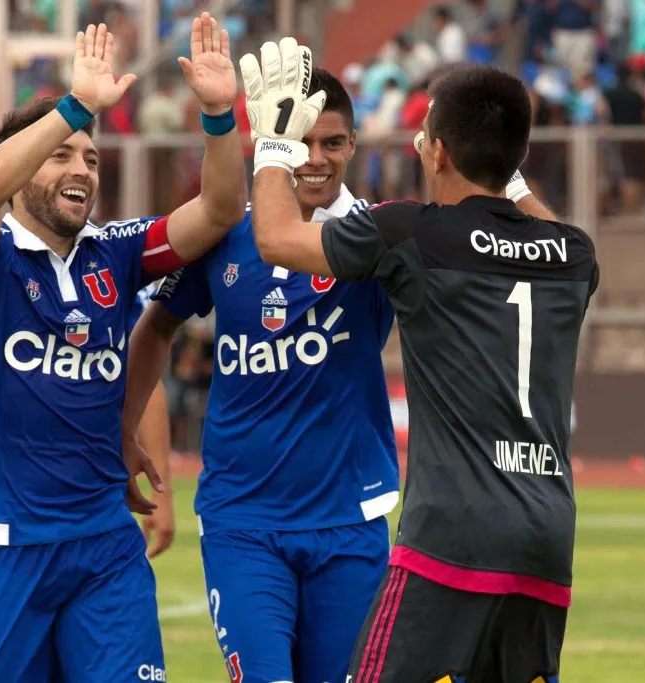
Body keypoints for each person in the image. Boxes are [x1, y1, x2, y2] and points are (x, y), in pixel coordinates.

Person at [243, 43, 598, 682]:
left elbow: (274, 239)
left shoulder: (413, 233)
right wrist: (506, 169)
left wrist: (273, 142)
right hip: (547, 537)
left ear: (436, 152)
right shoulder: (572, 254)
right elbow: (541, 227)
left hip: (450, 534)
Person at [0, 16, 244, 683]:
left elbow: (219, 211)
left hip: (104, 545)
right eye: (61, 154)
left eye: (92, 157)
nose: (83, 168)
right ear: (17, 170)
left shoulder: (119, 250)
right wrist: (74, 106)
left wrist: (219, 113)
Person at [122, 66, 399, 683]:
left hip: (349, 521)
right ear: (276, 140)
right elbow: (155, 328)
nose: (316, 159)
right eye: (300, 141)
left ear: (353, 145)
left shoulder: (382, 235)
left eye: (333, 143)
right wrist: (123, 426)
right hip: (242, 520)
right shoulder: (224, 233)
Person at [0, 285, 176, 559]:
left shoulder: (117, 262)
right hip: (0, 509)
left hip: (98, 509)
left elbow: (143, 374)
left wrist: (162, 492)